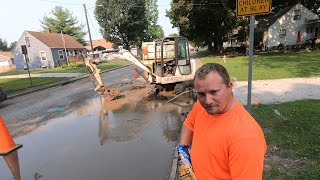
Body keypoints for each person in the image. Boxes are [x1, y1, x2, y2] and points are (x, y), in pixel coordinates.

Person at [178, 63, 267, 180]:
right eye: (201, 94)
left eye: (214, 92)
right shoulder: (201, 106)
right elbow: (189, 124)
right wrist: (183, 152)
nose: (207, 101)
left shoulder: (246, 136)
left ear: (229, 87)